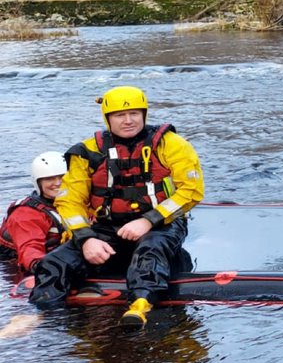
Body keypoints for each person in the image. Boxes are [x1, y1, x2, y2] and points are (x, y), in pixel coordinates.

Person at [28, 86, 203, 329]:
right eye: (120, 115)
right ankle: (41, 312)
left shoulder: (171, 144)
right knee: (55, 262)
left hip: (162, 223)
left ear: (144, 114)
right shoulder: (87, 151)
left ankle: (140, 305)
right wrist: (86, 239)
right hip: (107, 227)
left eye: (134, 114)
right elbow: (69, 201)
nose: (128, 120)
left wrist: (149, 220)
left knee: (150, 250)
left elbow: (191, 191)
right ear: (107, 118)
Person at [0, 152, 69, 274]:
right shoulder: (25, 214)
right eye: (49, 179)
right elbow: (30, 250)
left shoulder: (80, 204)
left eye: (63, 177)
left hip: (62, 255)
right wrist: (46, 269)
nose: (58, 183)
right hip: (17, 265)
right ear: (38, 183)